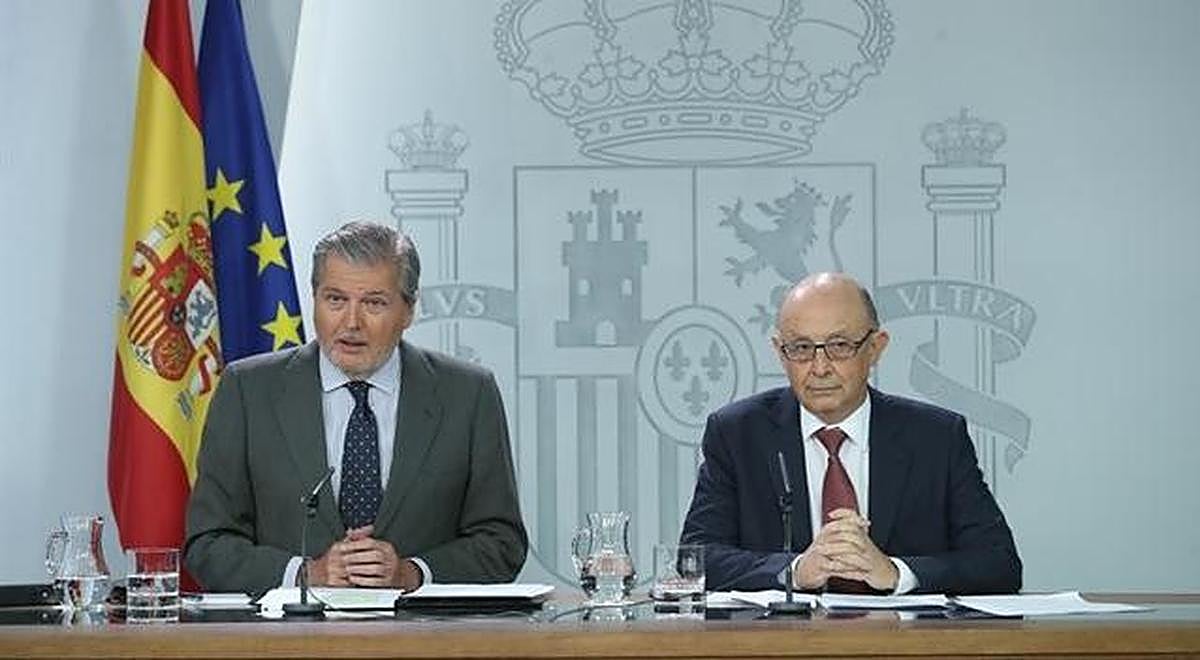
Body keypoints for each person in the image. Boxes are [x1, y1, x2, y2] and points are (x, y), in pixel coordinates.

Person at [185, 221, 527, 595]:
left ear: (408, 311)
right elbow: (208, 543)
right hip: (290, 631)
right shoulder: (247, 390)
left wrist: (412, 574)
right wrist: (307, 575)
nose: (351, 323)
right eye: (335, 299)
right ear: (314, 299)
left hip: (422, 630)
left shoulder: (468, 393)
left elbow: (501, 543)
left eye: (374, 303)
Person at [679, 272, 1020, 595]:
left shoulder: (937, 437)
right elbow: (695, 560)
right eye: (801, 348)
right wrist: (795, 570)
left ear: (876, 347)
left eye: (839, 345)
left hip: (900, 636)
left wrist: (896, 573)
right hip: (782, 637)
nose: (820, 367)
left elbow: (998, 563)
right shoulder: (737, 434)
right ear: (780, 353)